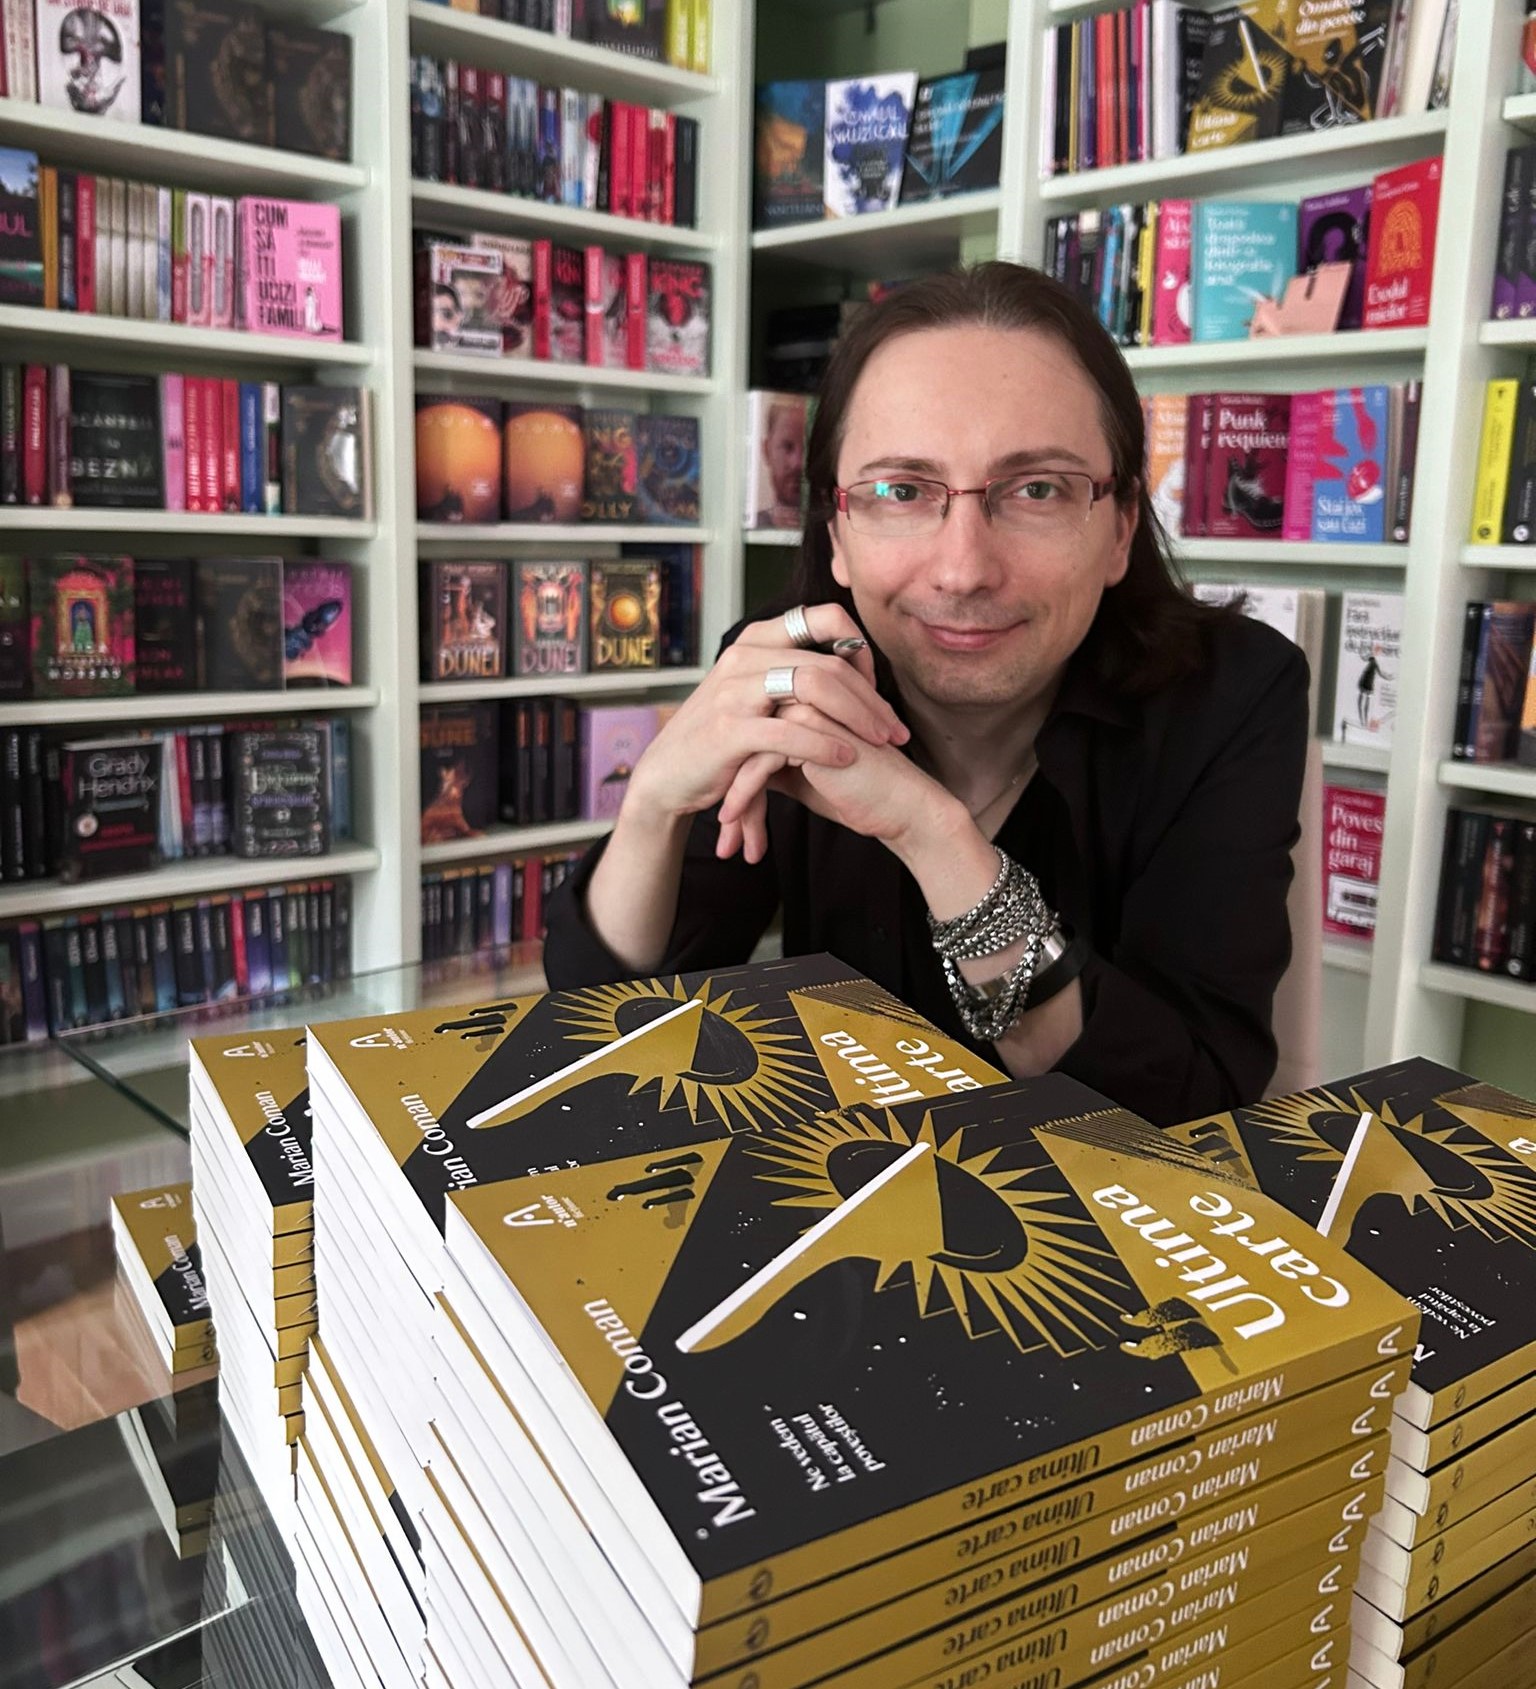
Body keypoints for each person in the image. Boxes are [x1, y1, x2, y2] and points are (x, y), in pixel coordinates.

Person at [544, 263, 1309, 1125]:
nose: (963, 570)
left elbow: (1189, 1110)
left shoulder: (1231, 695)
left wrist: (934, 837)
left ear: (1122, 527)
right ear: (837, 532)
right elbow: (605, 1034)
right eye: (902, 491)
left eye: (1037, 489)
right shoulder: (793, 673)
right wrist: (650, 804)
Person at [753, 395, 809, 529]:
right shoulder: (749, 527)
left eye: (808, 448)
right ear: (767, 450)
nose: (798, 463)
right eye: (787, 447)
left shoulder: (837, 530)